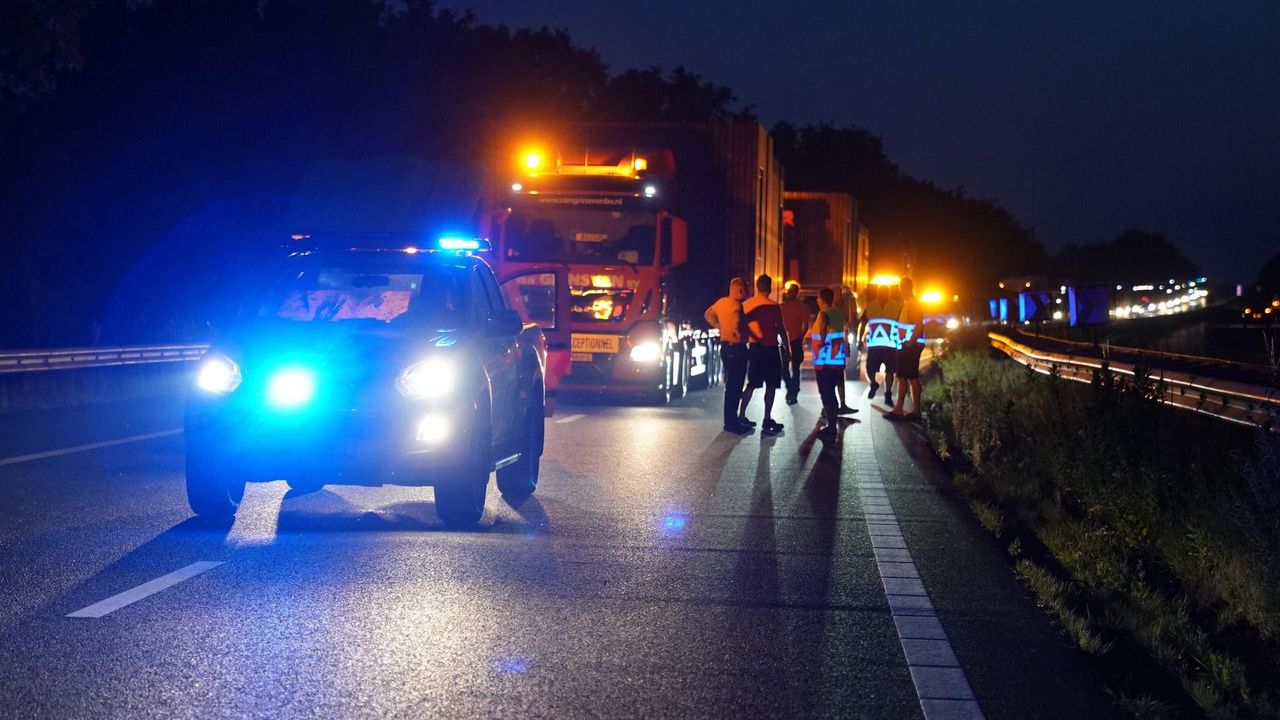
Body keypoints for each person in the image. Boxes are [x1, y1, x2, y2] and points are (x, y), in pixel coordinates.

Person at [705, 278, 752, 434]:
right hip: (737, 348)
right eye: (745, 289)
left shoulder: (721, 303)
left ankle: (731, 419)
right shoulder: (738, 307)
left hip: (726, 346)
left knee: (731, 384)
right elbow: (747, 327)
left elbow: (708, 315)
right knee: (735, 385)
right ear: (740, 290)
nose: (746, 293)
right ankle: (731, 422)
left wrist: (720, 326)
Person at [743, 274, 786, 434]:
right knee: (771, 385)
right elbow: (781, 329)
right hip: (770, 349)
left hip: (755, 348)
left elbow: (742, 325)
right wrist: (787, 350)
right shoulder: (774, 306)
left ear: (756, 286)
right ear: (770, 287)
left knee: (752, 384)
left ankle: (741, 415)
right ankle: (767, 419)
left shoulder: (747, 305)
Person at [811, 287, 851, 434]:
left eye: (818, 297)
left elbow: (821, 338)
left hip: (825, 361)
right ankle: (832, 426)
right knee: (831, 392)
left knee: (826, 393)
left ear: (822, 299)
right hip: (836, 360)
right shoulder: (838, 313)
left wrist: (818, 343)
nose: (816, 300)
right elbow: (843, 333)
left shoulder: (823, 314)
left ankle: (831, 427)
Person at [888, 277, 926, 421]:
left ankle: (915, 411)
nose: (900, 290)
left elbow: (918, 325)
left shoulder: (913, 304)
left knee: (911, 377)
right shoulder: (908, 303)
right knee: (903, 377)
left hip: (910, 346)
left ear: (906, 288)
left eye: (901, 287)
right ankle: (899, 409)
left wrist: (910, 343)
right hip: (906, 345)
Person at [858, 283, 903, 406]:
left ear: (888, 294)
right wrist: (860, 339)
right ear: (878, 294)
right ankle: (874, 384)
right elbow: (862, 323)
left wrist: (902, 340)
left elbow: (902, 324)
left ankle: (888, 394)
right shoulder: (871, 306)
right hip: (876, 345)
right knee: (870, 369)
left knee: (890, 371)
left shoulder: (896, 306)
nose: (883, 295)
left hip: (889, 345)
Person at [779, 282, 811, 404]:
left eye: (792, 291)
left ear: (796, 293)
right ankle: (791, 388)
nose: (790, 293)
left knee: (796, 368)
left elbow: (806, 325)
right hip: (784, 341)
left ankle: (793, 391)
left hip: (795, 340)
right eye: (789, 291)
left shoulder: (802, 307)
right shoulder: (781, 307)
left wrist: (801, 336)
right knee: (784, 368)